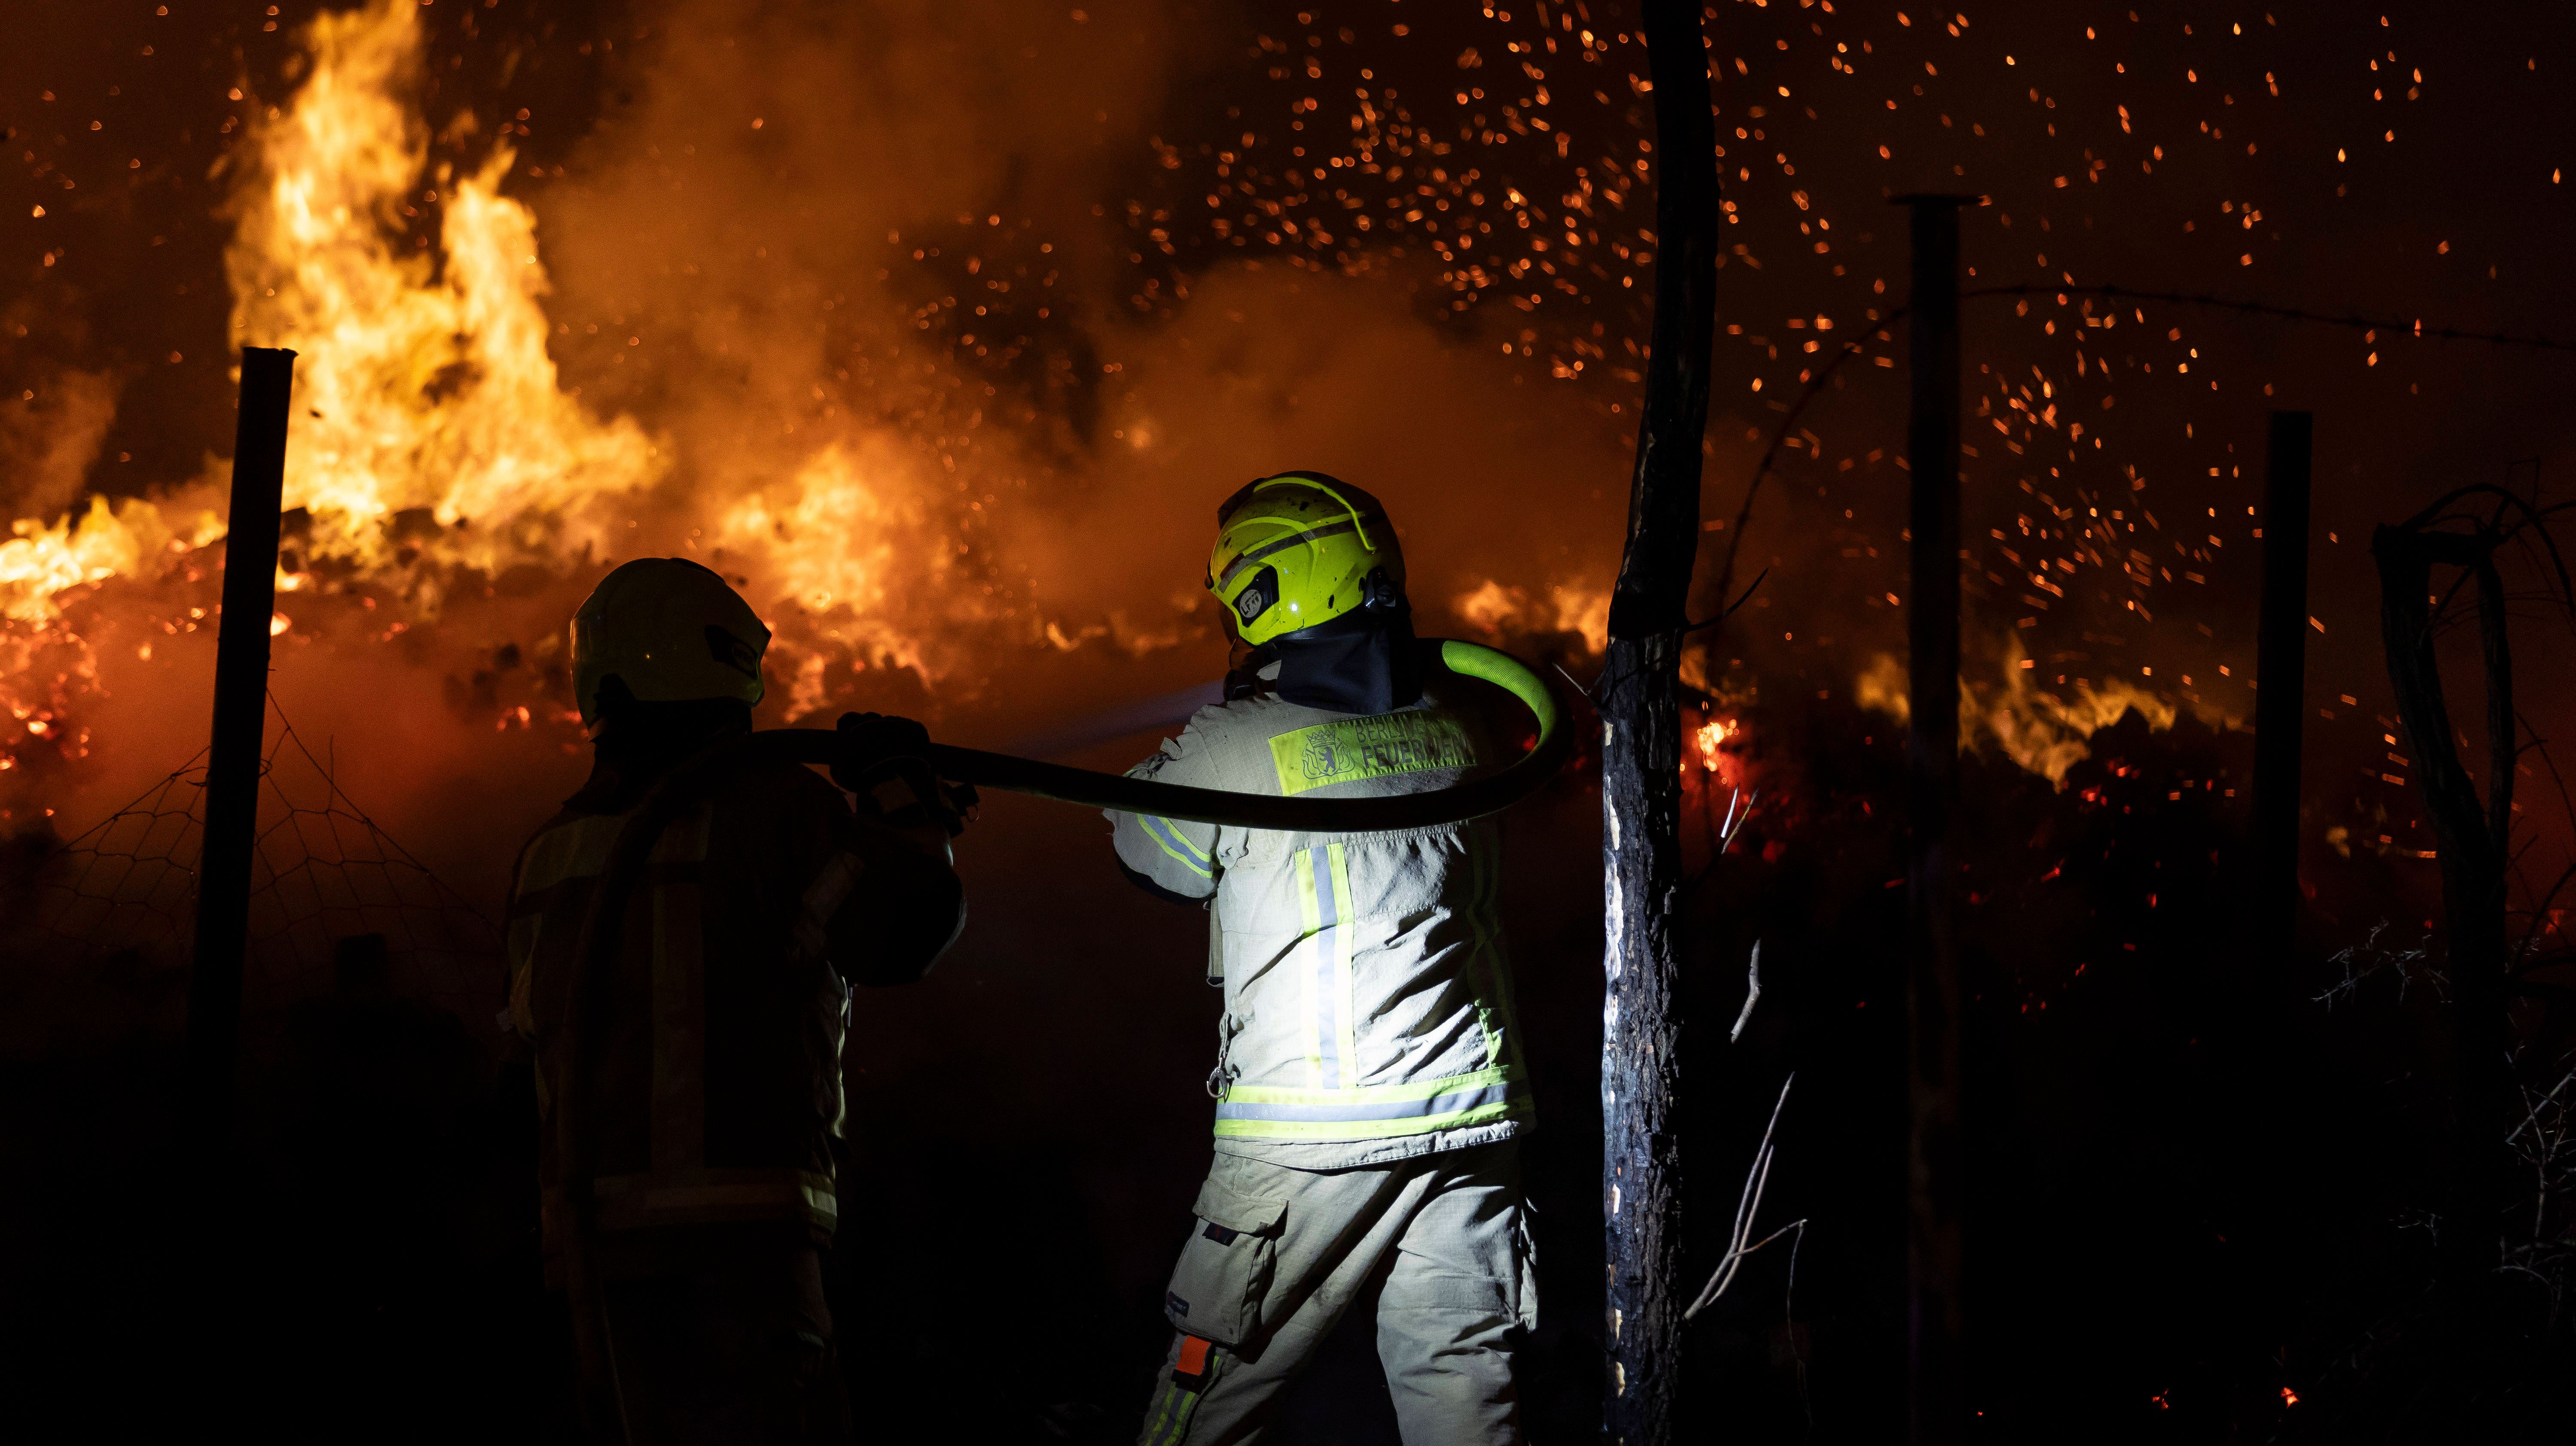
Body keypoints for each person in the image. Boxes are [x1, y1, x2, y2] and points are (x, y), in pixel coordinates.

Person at [1108, 474, 1539, 1445]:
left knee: (1203, 1404)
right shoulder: (1461, 726)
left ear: (1262, 594)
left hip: (1310, 1137)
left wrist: (1177, 751)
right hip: (1470, 1122)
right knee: (1467, 1398)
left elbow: (1154, 860)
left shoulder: (1237, 744)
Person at [505, 557, 968, 1444]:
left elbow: (516, 1072)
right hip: (743, 1259)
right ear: (721, 666)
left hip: (594, 1274)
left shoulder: (546, 853)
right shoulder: (773, 809)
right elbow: (900, 935)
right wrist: (907, 805)